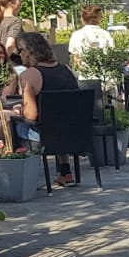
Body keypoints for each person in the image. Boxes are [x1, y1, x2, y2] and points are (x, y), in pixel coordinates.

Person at [11, 31, 83, 185]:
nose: (19, 55)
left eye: (20, 50)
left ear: (29, 51)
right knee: (57, 119)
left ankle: (23, 178)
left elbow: (31, 115)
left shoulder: (30, 75)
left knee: (10, 123)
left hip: (46, 135)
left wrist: (19, 110)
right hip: (74, 132)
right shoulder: (66, 70)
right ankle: (65, 172)